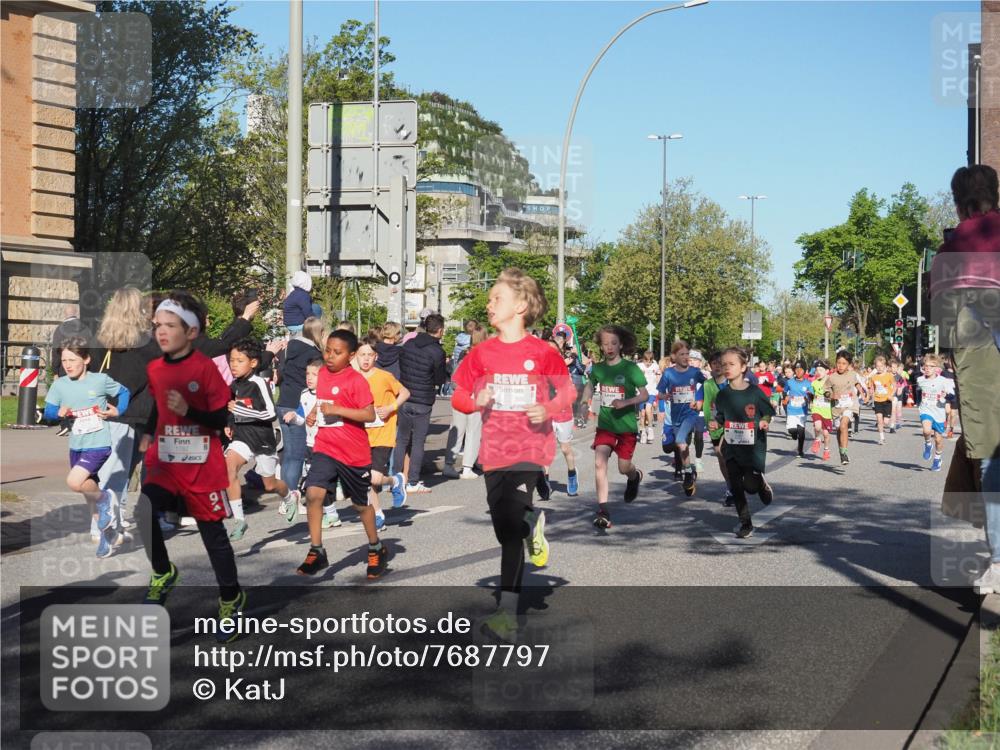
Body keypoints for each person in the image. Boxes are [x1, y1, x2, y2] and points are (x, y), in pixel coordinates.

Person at [451, 269, 573, 642]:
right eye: (489, 299)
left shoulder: (542, 352)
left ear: (520, 306)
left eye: (496, 298)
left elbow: (567, 392)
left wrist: (548, 409)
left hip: (530, 450)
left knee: (508, 537)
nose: (489, 304)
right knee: (505, 527)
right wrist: (475, 401)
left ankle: (507, 614)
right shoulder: (481, 352)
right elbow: (458, 395)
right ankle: (531, 523)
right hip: (494, 451)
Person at [135, 292, 245, 639]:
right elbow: (156, 407)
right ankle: (163, 571)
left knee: (212, 535)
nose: (162, 332)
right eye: (159, 325)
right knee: (143, 511)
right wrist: (148, 433)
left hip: (200, 461)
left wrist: (189, 411)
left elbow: (219, 417)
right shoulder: (156, 367)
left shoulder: (206, 369)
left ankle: (231, 598)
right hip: (165, 459)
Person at [928, 165, 1000, 594]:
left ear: (959, 203)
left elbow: (945, 322)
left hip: (978, 347)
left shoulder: (951, 250)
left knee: (992, 454)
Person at [296, 329, 385, 578]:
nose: (330, 356)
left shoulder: (356, 381)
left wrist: (339, 410)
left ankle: (375, 546)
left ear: (351, 355)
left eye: (337, 352)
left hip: (353, 452)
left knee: (360, 505)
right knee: (313, 494)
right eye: (327, 350)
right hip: (325, 446)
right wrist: (315, 410)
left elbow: (369, 414)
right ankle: (317, 551)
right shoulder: (323, 373)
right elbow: (322, 398)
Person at [43, 338, 131, 557]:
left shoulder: (100, 380)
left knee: (74, 482)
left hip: (99, 444)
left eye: (73, 359)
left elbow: (124, 392)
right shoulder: (60, 384)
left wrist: (116, 411)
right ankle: (106, 536)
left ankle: (107, 499)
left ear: (86, 359)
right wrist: (58, 413)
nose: (68, 364)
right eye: (64, 360)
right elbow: (49, 413)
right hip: (77, 445)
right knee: (87, 491)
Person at [89, 287, 161, 530]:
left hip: (98, 412)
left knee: (104, 472)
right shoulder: (145, 346)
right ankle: (107, 525)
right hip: (131, 415)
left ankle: (108, 521)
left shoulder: (100, 340)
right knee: (119, 473)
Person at [224, 338, 292, 540]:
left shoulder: (259, 383)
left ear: (253, 363)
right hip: (243, 437)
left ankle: (289, 497)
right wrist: (229, 423)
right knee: (228, 467)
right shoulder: (234, 385)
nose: (233, 365)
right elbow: (232, 409)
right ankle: (239, 521)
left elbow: (270, 414)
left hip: (263, 438)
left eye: (239, 361)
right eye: (232, 360)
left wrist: (240, 409)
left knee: (270, 485)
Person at [583, 325, 648, 529]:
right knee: (599, 463)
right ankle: (603, 510)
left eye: (613, 343)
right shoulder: (599, 368)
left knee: (623, 467)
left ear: (620, 344)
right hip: (606, 425)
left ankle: (634, 475)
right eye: (605, 344)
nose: (609, 347)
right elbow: (590, 385)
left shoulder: (630, 368)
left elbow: (645, 395)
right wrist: (585, 401)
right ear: (601, 347)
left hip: (627, 426)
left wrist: (626, 402)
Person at [709, 347, 774, 539]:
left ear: (743, 366)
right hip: (731, 447)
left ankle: (760, 484)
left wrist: (764, 421)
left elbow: (768, 411)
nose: (726, 368)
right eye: (723, 365)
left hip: (753, 448)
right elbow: (720, 416)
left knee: (751, 487)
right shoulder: (723, 395)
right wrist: (716, 422)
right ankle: (746, 522)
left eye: (731, 364)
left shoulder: (755, 392)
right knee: (736, 486)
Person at [355, 334, 410, 529]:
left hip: (383, 434)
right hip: (361, 436)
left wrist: (390, 407)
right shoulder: (353, 379)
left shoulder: (384, 376)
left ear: (376, 357)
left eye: (370, 354)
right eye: (362, 355)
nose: (366, 358)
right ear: (355, 357)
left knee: (375, 477)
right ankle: (377, 513)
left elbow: (405, 392)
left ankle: (395, 481)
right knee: (367, 479)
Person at [283, 359, 343, 529]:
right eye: (307, 373)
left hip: (327, 445)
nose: (309, 377)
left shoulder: (329, 395)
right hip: (310, 445)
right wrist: (293, 417)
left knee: (317, 482)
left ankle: (342, 495)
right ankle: (332, 514)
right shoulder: (304, 394)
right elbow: (302, 419)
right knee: (317, 483)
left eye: (314, 374)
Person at [397, 312, 449, 493]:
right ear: (440, 330)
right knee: (418, 441)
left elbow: (401, 365)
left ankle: (396, 478)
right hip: (423, 399)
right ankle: (413, 481)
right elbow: (439, 379)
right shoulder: (437, 352)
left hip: (404, 396)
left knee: (402, 439)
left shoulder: (409, 344)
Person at [276, 316, 325, 501]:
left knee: (288, 455)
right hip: (299, 403)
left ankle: (285, 497)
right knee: (297, 455)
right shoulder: (314, 355)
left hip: (282, 401)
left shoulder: (291, 348)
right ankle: (290, 499)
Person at [656, 341, 705, 497]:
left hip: (690, 414)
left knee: (680, 440)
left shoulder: (695, 372)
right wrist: (666, 396)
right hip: (676, 416)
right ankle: (689, 472)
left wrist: (699, 399)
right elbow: (660, 393)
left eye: (687, 354)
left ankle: (688, 473)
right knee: (682, 445)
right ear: (674, 356)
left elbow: (707, 386)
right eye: (682, 354)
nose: (685, 357)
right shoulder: (669, 374)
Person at [443, 324, 488, 480]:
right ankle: (467, 467)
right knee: (473, 432)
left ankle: (448, 464)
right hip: (475, 396)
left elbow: (455, 377)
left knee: (456, 431)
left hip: (459, 394)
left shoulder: (464, 354)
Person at [50, 304, 92, 436]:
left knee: (65, 396)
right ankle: (82, 423)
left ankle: (65, 424)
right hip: (83, 366)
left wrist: (55, 370)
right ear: (77, 314)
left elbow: (56, 351)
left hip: (66, 367)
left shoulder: (60, 330)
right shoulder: (86, 328)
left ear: (65, 314)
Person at [701, 351, 733, 505]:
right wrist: (709, 423)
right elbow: (706, 406)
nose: (718, 366)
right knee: (720, 455)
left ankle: (737, 483)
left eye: (721, 363)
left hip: (733, 424)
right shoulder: (707, 385)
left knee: (724, 451)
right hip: (716, 423)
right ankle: (730, 487)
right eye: (714, 364)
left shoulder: (732, 381)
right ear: (710, 366)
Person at [917, 354, 954, 472]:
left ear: (936, 368)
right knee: (926, 430)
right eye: (925, 366)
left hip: (939, 412)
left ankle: (937, 458)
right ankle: (928, 444)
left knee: (938, 439)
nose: (927, 368)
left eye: (931, 366)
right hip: (926, 410)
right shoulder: (920, 380)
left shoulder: (943, 381)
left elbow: (952, 395)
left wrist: (946, 395)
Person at [827, 352, 861, 466]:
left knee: (843, 425)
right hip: (836, 408)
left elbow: (856, 383)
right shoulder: (831, 378)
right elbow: (825, 391)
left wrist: (863, 392)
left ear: (848, 364)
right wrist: (831, 396)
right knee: (839, 430)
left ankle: (844, 453)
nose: (840, 366)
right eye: (839, 363)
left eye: (844, 363)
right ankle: (841, 451)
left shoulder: (852, 374)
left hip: (849, 405)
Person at [783, 360, 813, 457]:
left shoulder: (808, 383)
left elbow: (812, 395)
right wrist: (785, 397)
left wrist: (809, 396)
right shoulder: (789, 382)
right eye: (796, 369)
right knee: (792, 430)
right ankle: (793, 435)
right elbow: (785, 391)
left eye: (801, 370)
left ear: (805, 371)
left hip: (802, 410)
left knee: (801, 430)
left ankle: (800, 451)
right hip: (791, 409)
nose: (798, 371)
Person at [809, 360, 833, 462]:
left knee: (826, 434)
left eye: (821, 370)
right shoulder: (814, 383)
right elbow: (811, 394)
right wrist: (810, 401)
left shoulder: (831, 382)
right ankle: (817, 439)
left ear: (827, 371)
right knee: (817, 426)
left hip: (827, 411)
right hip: (817, 408)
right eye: (817, 370)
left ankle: (826, 450)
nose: (818, 372)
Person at [867, 355, 895, 445]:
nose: (879, 368)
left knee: (886, 422)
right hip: (878, 400)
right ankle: (882, 438)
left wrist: (891, 395)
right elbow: (871, 388)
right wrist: (870, 393)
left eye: (881, 366)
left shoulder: (889, 376)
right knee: (879, 420)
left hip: (887, 401)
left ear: (885, 367)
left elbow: (895, 386)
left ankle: (885, 424)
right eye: (877, 366)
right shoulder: (874, 377)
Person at [637, 351, 661, 445]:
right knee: (642, 414)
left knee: (648, 409)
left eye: (650, 360)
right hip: (641, 392)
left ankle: (650, 429)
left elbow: (658, 378)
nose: (648, 362)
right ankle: (643, 432)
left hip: (651, 391)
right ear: (643, 359)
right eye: (646, 360)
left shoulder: (655, 366)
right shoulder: (639, 366)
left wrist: (659, 390)